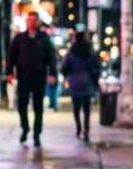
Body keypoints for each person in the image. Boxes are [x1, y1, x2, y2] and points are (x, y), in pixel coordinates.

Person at [6, 12, 57, 147]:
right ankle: (25, 128)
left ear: (37, 22)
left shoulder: (44, 38)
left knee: (38, 107)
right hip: (23, 77)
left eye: (34, 20)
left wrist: (52, 73)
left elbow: (51, 56)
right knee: (22, 105)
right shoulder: (19, 38)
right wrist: (9, 72)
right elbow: (11, 56)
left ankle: (37, 133)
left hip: (39, 77)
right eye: (29, 20)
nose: (32, 22)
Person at [61, 32, 101, 142]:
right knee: (87, 108)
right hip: (87, 82)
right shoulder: (90, 52)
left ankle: (78, 127)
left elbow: (64, 68)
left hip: (74, 82)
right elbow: (97, 67)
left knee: (76, 107)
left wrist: (68, 75)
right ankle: (86, 129)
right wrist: (94, 78)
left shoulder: (71, 53)